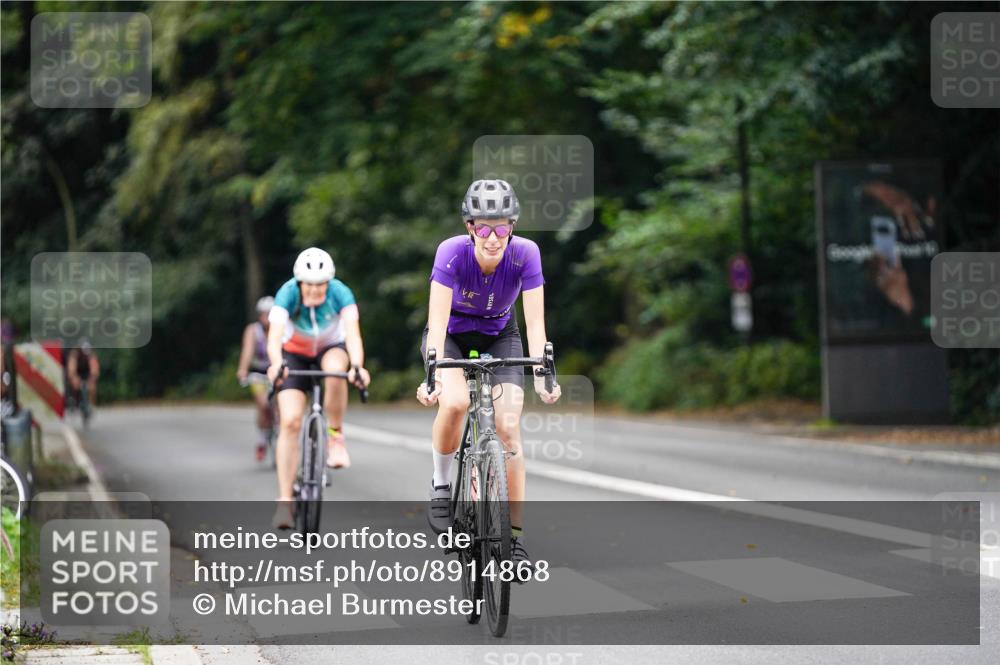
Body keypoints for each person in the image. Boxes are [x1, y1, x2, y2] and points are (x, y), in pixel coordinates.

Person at [416, 179, 561, 570]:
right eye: (483, 227)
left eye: (501, 227)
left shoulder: (526, 254)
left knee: (509, 427)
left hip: (502, 336)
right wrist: (432, 374)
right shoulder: (451, 253)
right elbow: (437, 322)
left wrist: (544, 373)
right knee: (457, 402)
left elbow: (534, 324)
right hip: (450, 339)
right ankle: (442, 487)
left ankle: (513, 540)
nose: (492, 237)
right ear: (470, 227)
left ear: (512, 226)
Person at [266, 247, 371, 529]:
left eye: (320, 284)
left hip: (330, 348)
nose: (314, 291)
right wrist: (276, 364)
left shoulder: (341, 293)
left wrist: (358, 366)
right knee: (289, 422)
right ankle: (285, 502)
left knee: (337, 369)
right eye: (309, 285)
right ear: (300, 283)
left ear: (329, 282)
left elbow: (353, 335)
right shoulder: (287, 293)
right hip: (293, 353)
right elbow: (274, 337)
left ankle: (335, 436)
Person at [237, 296, 278, 462]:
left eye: (269, 313)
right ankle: (262, 440)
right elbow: (247, 351)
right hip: (258, 373)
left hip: (276, 372)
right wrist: (243, 369)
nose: (265, 317)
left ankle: (280, 438)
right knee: (263, 405)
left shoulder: (280, 328)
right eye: (263, 314)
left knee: (279, 407)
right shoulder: (253, 331)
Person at [66, 339, 100, 411]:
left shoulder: (91, 355)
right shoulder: (74, 354)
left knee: (92, 387)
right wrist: (74, 377)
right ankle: (73, 400)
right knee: (74, 384)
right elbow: (71, 368)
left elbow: (94, 368)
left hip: (87, 373)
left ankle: (91, 405)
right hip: (77, 372)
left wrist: (92, 378)